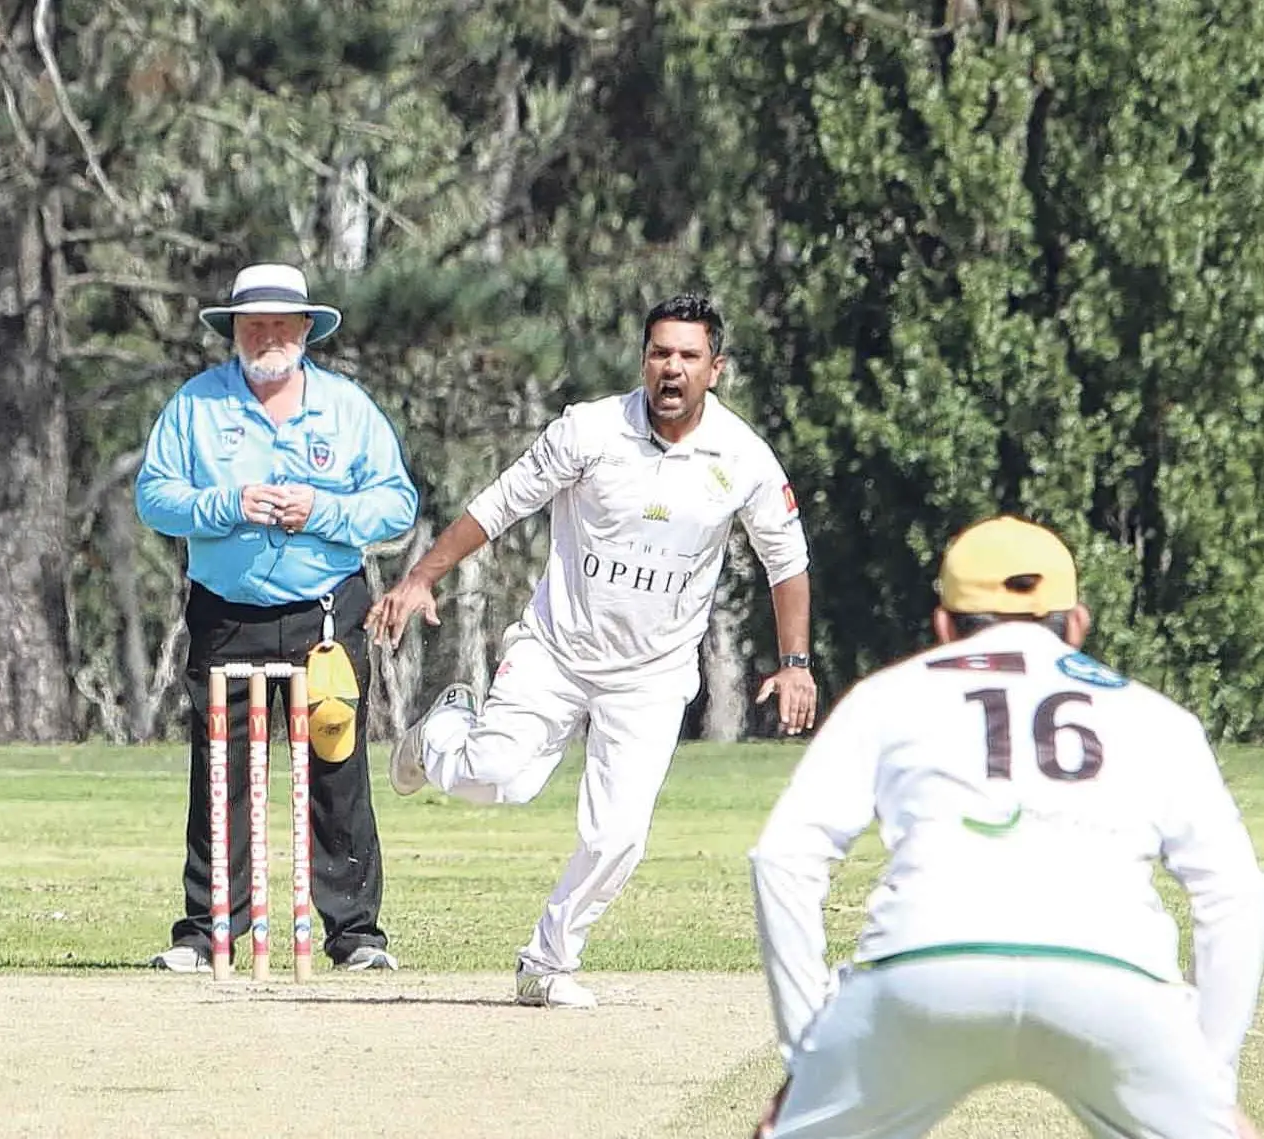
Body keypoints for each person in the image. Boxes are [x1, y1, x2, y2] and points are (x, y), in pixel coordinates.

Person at [747, 516, 1264, 1138]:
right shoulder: (1157, 717)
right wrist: (1209, 1077)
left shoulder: (885, 696)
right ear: (1077, 622)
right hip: (1112, 975)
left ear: (943, 623)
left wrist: (808, 1055)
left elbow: (782, 858)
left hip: (924, 966)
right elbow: (1233, 893)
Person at [368, 293, 816, 1009]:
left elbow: (785, 561)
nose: (671, 368)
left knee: (617, 838)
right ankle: (440, 733)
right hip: (557, 650)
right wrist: (422, 576)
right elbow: (501, 503)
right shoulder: (590, 429)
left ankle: (547, 961)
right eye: (659, 353)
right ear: (643, 359)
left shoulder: (744, 458)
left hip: (652, 673)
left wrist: (794, 665)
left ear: (716, 368)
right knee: (495, 779)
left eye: (688, 356)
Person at [135, 262, 419, 973]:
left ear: (304, 330)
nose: (265, 335)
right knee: (221, 770)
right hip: (226, 614)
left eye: (279, 323)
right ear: (232, 330)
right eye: (251, 323)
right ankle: (206, 932)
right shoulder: (197, 405)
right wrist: (225, 504)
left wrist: (324, 512)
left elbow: (396, 504)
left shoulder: (347, 407)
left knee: (336, 766)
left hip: (327, 612)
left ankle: (355, 933)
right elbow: (154, 497)